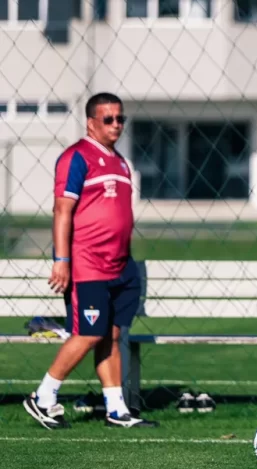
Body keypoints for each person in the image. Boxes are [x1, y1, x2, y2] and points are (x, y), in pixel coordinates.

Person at [23, 92, 157, 429]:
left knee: (111, 335)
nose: (116, 125)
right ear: (91, 122)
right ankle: (43, 396)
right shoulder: (76, 157)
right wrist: (61, 259)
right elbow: (62, 210)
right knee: (88, 333)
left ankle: (116, 409)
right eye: (108, 118)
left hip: (121, 266)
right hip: (88, 265)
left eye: (120, 118)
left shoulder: (120, 161)